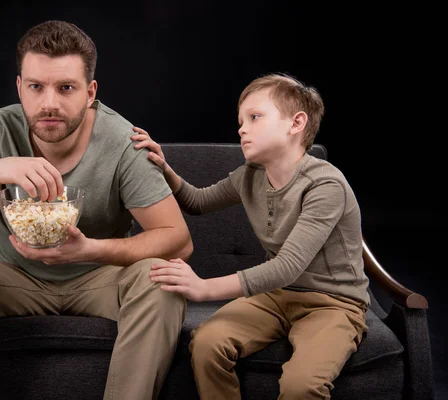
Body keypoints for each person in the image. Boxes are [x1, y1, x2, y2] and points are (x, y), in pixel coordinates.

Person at [0, 20, 193, 400]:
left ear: (90, 93)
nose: (49, 103)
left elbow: (179, 241)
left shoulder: (123, 140)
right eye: (36, 87)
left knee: (164, 281)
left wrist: (90, 249)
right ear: (20, 87)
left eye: (65, 88)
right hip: (14, 279)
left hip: (102, 280)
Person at [130, 73, 370, 399]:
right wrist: (164, 167)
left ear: (296, 123)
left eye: (254, 117)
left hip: (333, 304)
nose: (242, 128)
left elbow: (287, 266)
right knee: (206, 344)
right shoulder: (250, 175)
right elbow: (197, 202)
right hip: (276, 296)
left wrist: (203, 287)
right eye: (241, 121)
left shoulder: (325, 185)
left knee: (301, 386)